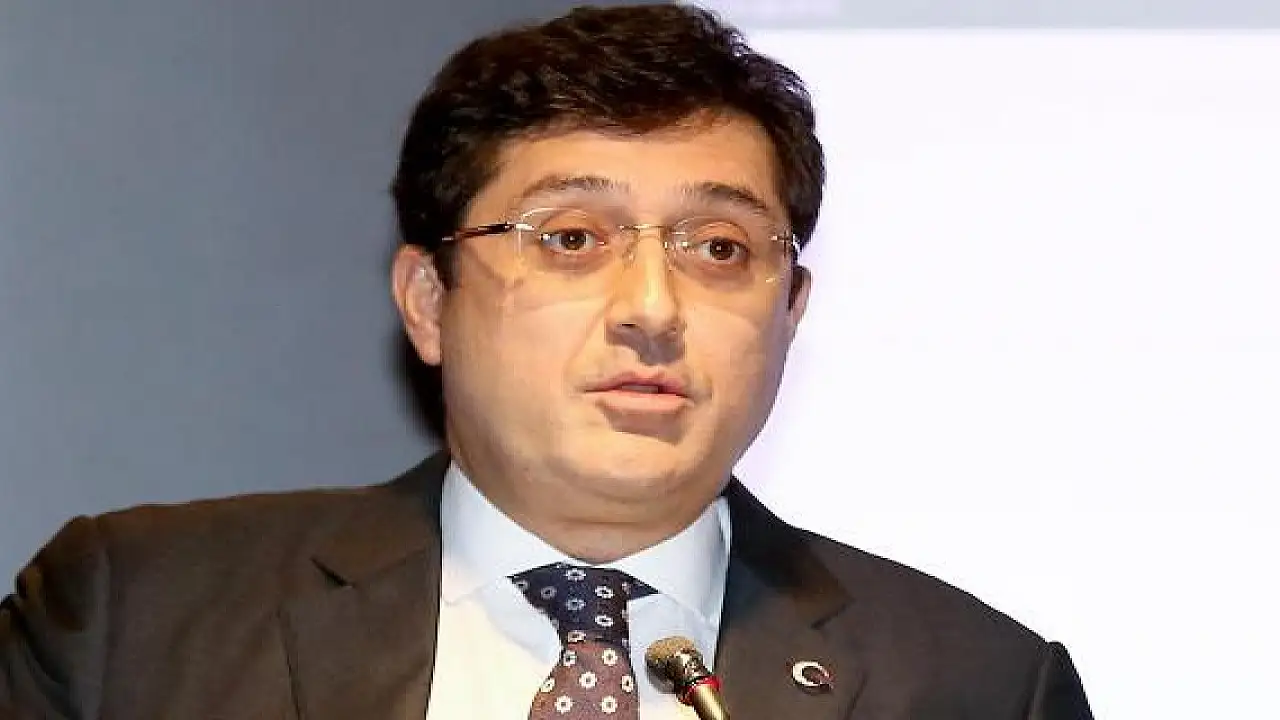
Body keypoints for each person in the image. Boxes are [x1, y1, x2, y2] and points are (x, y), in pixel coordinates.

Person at [0, 4, 1093, 718]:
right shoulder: (133, 619)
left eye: (718, 249)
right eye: (571, 238)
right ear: (430, 302)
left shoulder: (976, 685)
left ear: (789, 310)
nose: (652, 308)